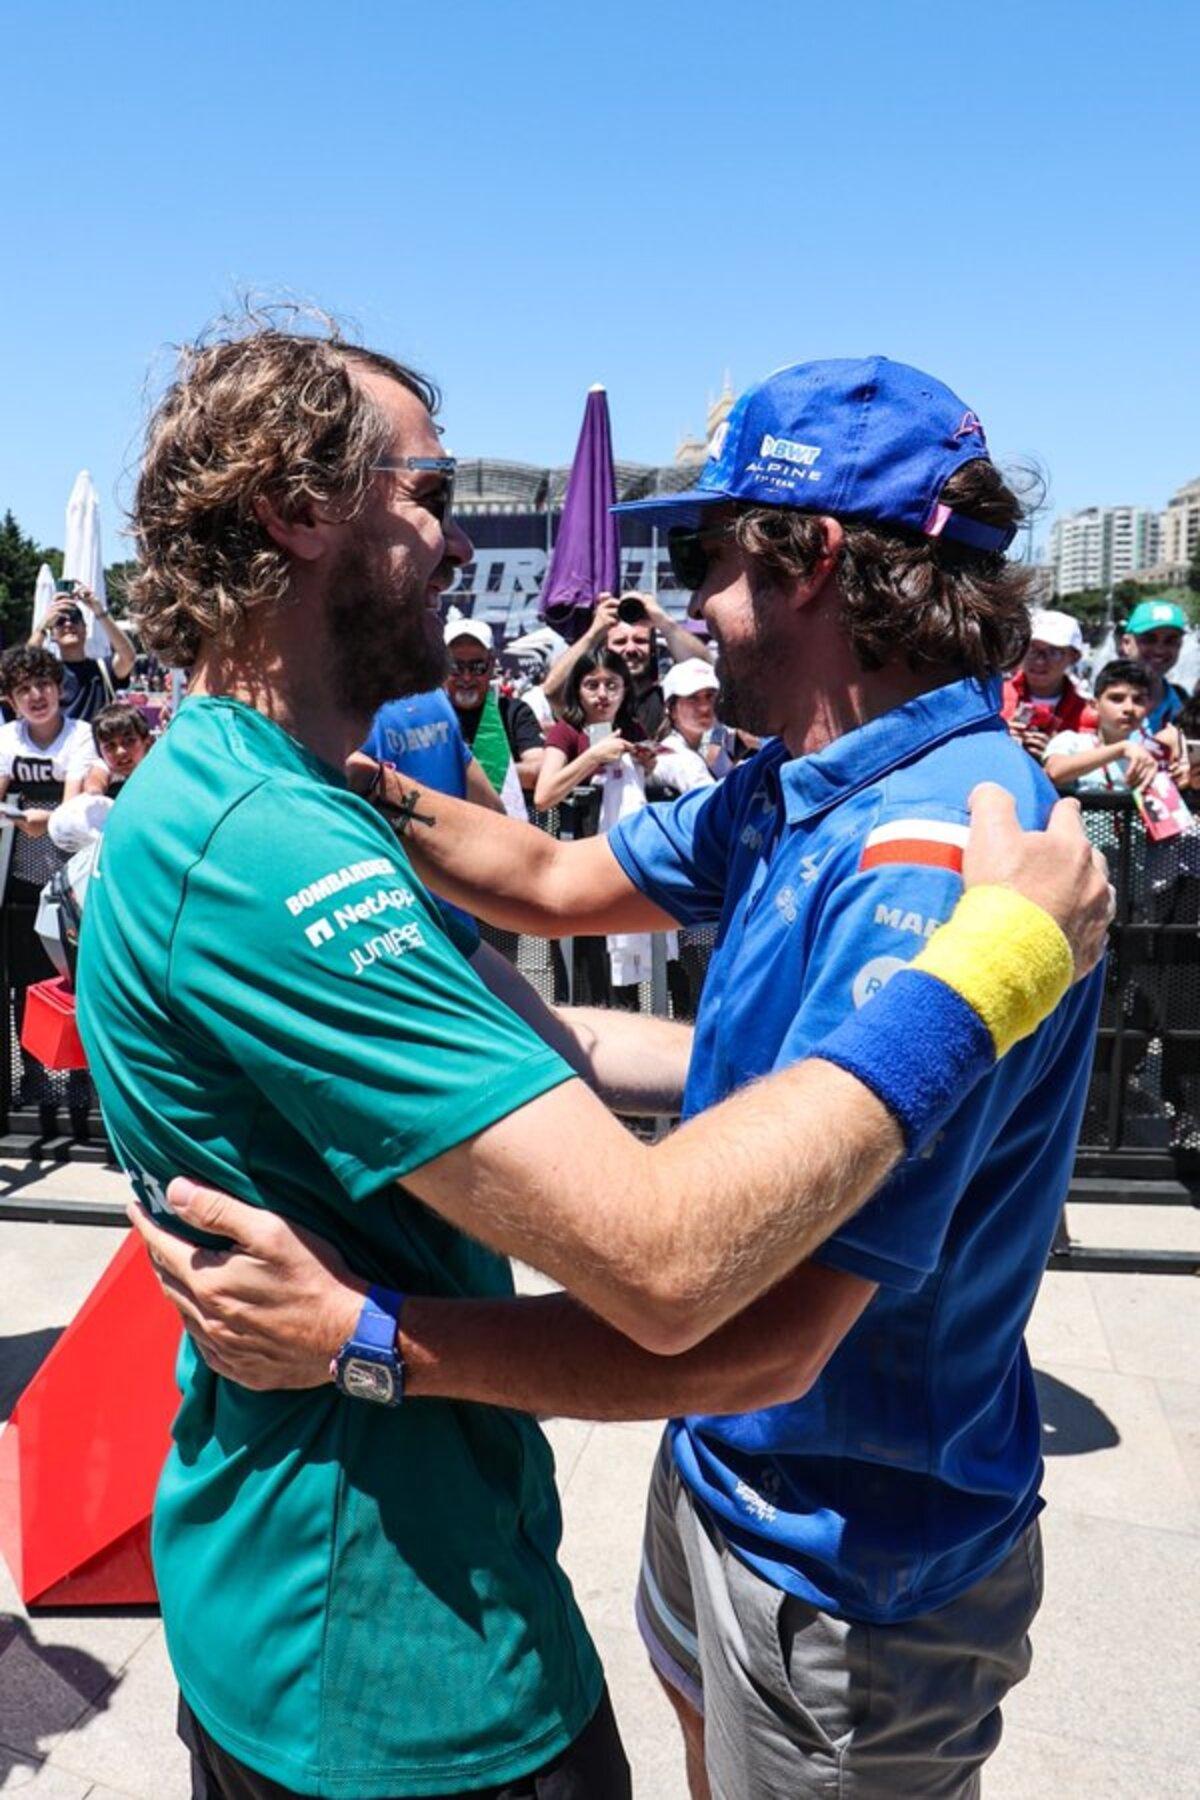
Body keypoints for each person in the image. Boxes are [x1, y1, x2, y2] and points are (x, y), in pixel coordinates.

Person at [84, 323, 1107, 1800]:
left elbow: (732, 1309)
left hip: (848, 1547)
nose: (675, 602)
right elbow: (554, 885)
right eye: (428, 493)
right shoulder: (799, 788)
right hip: (711, 1490)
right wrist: (342, 785)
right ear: (300, 514)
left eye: (700, 551)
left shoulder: (946, 851)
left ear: (810, 559)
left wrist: (370, 1341)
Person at [0, 645, 101, 1131]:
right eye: (23, 690)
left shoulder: (79, 735)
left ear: (60, 690)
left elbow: (70, 805)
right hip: (19, 881)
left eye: (43, 685)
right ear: (11, 699)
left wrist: (44, 818)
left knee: (76, 982)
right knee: (23, 984)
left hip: (69, 886)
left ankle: (82, 1080)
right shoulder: (6, 738)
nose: (36, 696)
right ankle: (33, 1079)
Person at [542, 590, 710, 737]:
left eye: (640, 640)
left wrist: (664, 622)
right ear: (605, 648)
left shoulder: (667, 699)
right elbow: (552, 690)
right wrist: (594, 633)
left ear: (653, 648)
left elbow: (706, 672)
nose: (630, 649)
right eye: (620, 642)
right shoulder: (593, 703)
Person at [443, 616, 544, 805]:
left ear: (491, 665)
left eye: (477, 667)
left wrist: (467, 773)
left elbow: (538, 770)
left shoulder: (513, 712)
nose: (466, 677)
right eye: (455, 666)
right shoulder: (428, 714)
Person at [29, 584, 137, 722]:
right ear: (53, 635)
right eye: (60, 621)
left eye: (75, 618)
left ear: (85, 629)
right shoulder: (48, 673)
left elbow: (128, 657)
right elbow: (21, 669)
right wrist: (42, 626)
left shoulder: (103, 669)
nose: (68, 624)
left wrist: (99, 610)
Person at [1001, 607, 1094, 759]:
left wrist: (1060, 756)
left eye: (1054, 652)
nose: (1040, 660)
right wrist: (998, 736)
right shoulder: (993, 699)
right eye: (1032, 650)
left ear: (1074, 657)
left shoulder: (1086, 713)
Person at [651, 658, 734, 797]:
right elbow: (711, 805)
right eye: (692, 698)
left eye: (710, 696)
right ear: (671, 709)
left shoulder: (698, 748)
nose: (704, 707)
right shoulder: (679, 758)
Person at [1119, 598, 1191, 733]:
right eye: (1149, 639)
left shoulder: (1185, 708)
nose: (1159, 650)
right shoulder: (1099, 708)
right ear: (1126, 643)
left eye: (1170, 641)